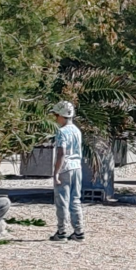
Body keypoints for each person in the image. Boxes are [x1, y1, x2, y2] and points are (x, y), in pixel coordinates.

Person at [49, 101, 86, 242]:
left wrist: (56, 172)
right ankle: (79, 231)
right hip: (77, 167)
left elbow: (61, 153)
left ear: (61, 116)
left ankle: (62, 231)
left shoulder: (61, 132)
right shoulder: (77, 130)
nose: (55, 118)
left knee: (62, 201)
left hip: (65, 168)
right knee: (75, 200)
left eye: (56, 115)